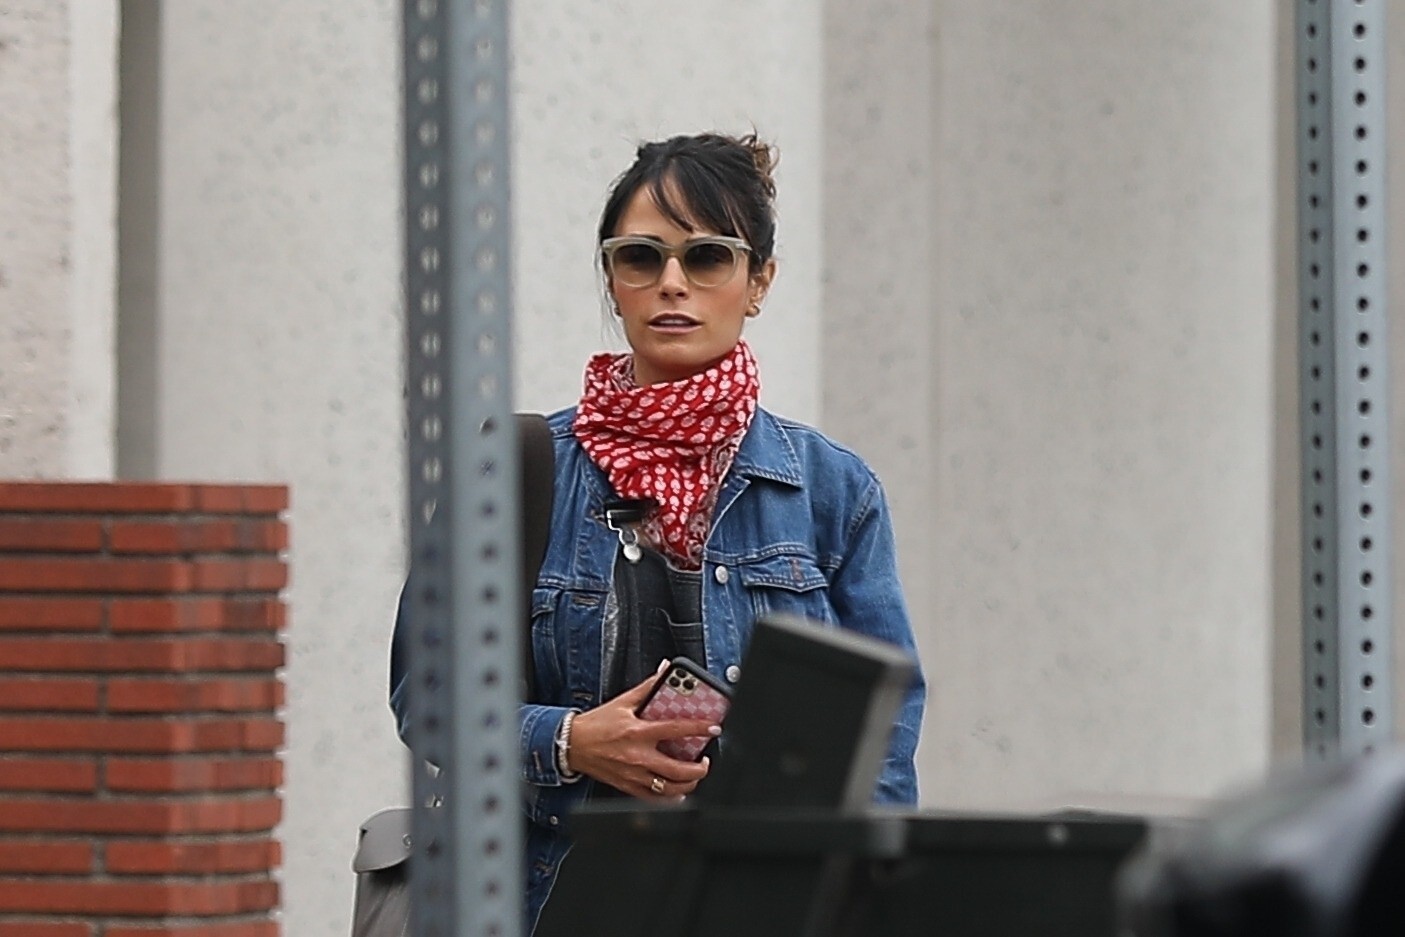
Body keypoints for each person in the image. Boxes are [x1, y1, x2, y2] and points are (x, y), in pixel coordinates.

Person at [390, 131, 926, 932]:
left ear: (758, 281)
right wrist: (569, 739)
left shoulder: (831, 490)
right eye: (640, 257)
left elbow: (884, 733)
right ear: (613, 282)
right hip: (551, 901)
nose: (672, 282)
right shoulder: (513, 470)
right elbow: (426, 692)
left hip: (764, 909)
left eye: (706, 257)